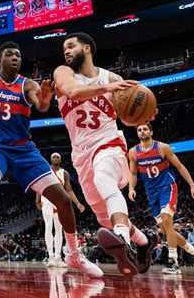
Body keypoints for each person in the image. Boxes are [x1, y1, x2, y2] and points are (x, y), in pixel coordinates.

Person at [0, 20, 102, 279]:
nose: (15, 57)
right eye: (10, 55)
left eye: (18, 55)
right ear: (0, 59)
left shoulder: (27, 84)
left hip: (23, 150)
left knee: (62, 198)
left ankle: (73, 253)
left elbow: (40, 104)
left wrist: (46, 98)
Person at [52, 32, 157, 276]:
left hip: (109, 143)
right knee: (103, 219)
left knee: (104, 178)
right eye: (63, 48)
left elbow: (127, 116)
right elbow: (73, 91)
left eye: (70, 46)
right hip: (81, 153)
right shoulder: (63, 73)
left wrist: (143, 115)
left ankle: (123, 237)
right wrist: (107, 88)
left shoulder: (112, 77)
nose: (65, 51)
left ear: (86, 48)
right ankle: (143, 241)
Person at [128, 123, 194, 275]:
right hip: (151, 193)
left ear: (151, 132)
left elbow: (179, 166)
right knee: (166, 230)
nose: (142, 131)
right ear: (137, 134)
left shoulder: (162, 147)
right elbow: (132, 174)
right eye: (139, 130)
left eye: (145, 129)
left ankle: (173, 261)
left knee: (167, 220)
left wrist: (192, 185)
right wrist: (131, 188)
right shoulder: (133, 152)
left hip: (167, 187)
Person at [35, 153, 85, 268]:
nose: (56, 158)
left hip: (59, 201)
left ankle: (58, 257)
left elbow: (69, 190)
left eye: (57, 157)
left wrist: (77, 203)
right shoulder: (45, 171)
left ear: (60, 160)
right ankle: (50, 257)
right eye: (54, 157)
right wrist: (37, 201)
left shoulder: (64, 173)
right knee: (48, 226)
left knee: (59, 229)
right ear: (51, 159)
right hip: (46, 200)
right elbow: (38, 186)